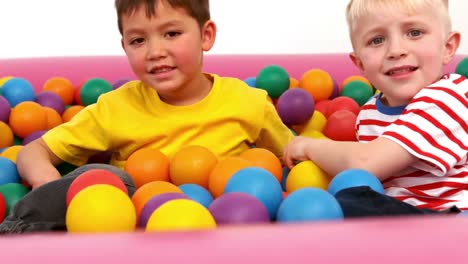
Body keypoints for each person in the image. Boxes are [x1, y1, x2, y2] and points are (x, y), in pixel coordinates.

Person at [0, 0, 293, 233]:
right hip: (126, 225)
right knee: (103, 178)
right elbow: (34, 151)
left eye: (172, 33)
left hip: (225, 220)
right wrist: (50, 186)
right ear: (124, 46)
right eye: (139, 40)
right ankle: (13, 234)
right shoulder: (116, 107)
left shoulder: (248, 102)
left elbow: (291, 159)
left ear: (206, 35)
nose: (155, 51)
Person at [283, 0, 467, 216]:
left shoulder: (450, 97)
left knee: (348, 201)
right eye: (377, 40)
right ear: (360, 63)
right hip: (396, 220)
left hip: (450, 220)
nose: (396, 50)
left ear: (447, 47)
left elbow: (366, 161)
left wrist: (309, 147)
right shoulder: (369, 113)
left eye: (414, 32)